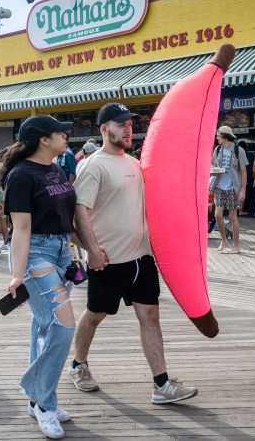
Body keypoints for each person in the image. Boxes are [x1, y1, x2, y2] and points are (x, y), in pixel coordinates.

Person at [69, 102, 198, 407]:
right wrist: (92, 251)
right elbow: (79, 211)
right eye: (120, 124)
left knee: (150, 315)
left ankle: (162, 384)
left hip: (142, 258)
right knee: (96, 314)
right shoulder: (93, 165)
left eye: (130, 124)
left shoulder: (134, 163)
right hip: (109, 260)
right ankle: (78, 365)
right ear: (104, 129)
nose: (128, 129)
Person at [0, 115, 78, 439]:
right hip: (35, 255)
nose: (66, 137)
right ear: (44, 139)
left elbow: (65, 216)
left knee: (44, 324)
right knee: (63, 324)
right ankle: (43, 401)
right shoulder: (20, 176)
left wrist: (75, 254)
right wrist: (18, 276)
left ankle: (39, 400)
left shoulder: (56, 169)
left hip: (60, 252)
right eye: (61, 133)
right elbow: (21, 229)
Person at [210, 126, 248, 253]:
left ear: (225, 137)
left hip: (233, 187)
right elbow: (213, 167)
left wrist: (243, 190)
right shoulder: (218, 150)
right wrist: (213, 171)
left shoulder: (238, 150)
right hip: (219, 186)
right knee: (217, 214)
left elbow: (243, 172)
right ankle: (224, 240)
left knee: (233, 217)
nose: (217, 138)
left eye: (218, 136)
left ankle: (236, 246)